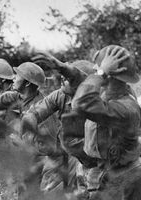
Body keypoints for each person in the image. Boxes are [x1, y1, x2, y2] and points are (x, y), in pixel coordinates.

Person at [70, 45, 141, 200]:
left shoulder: (125, 108)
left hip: (119, 178)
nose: (95, 73)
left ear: (108, 76)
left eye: (98, 70)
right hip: (103, 171)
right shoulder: (115, 94)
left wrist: (101, 73)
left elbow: (80, 103)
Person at [22, 52, 96, 192]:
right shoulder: (60, 95)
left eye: (68, 77)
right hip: (61, 152)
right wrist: (29, 135)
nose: (62, 78)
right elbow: (33, 114)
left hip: (89, 159)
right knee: (46, 190)